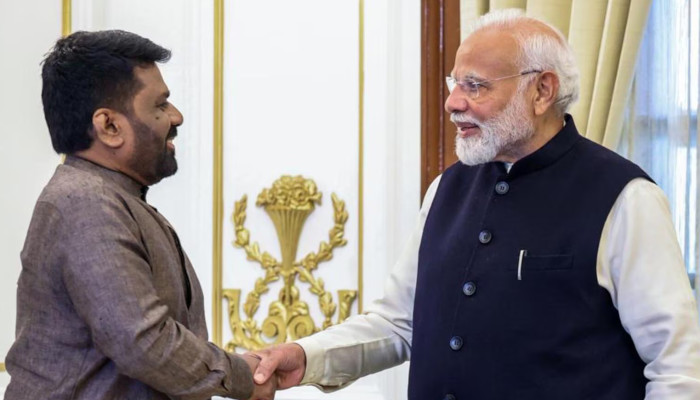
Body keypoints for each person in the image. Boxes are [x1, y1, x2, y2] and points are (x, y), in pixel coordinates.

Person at [250, 9, 700, 400]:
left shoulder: (626, 198)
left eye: (476, 86)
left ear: (542, 91)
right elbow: (400, 323)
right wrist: (305, 356)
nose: (452, 102)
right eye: (454, 83)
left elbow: (678, 366)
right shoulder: (445, 188)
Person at [5, 30, 274, 400]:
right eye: (160, 105)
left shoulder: (109, 198)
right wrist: (243, 378)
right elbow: (142, 341)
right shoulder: (85, 202)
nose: (176, 116)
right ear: (109, 127)